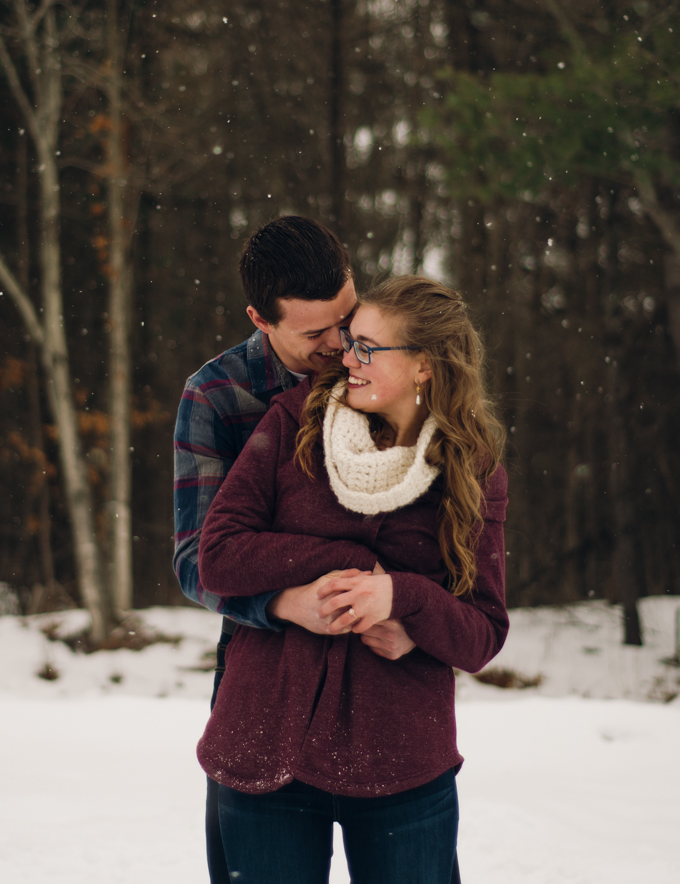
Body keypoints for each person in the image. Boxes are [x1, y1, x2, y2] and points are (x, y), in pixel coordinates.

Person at [195, 275, 509, 884]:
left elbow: (482, 634)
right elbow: (219, 554)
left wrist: (405, 597)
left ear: (423, 366)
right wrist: (345, 564)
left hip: (402, 762)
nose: (346, 358)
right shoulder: (293, 422)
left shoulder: (472, 468)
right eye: (348, 342)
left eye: (367, 347)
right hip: (267, 742)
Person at [177, 216, 424, 882]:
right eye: (317, 333)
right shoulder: (217, 396)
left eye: (348, 318)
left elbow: (444, 523)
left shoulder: (392, 368)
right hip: (262, 674)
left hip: (383, 673)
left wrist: (414, 613)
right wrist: (285, 604)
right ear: (261, 318)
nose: (342, 344)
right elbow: (195, 562)